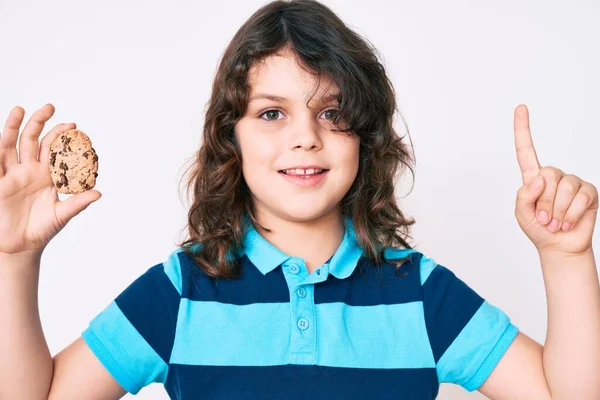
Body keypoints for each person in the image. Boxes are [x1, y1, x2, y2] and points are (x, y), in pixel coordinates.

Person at [1, 0, 598, 399]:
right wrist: (13, 258)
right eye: (271, 113)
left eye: (331, 112)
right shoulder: (181, 290)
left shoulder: (419, 295)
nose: (304, 136)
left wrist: (567, 261)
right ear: (228, 136)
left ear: (364, 136)